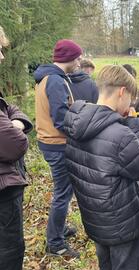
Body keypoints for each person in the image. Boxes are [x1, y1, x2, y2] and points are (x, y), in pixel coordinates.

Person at [63, 65, 139, 270]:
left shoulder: (76, 124)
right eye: (131, 97)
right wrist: (135, 126)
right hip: (124, 223)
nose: (131, 104)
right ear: (122, 92)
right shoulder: (120, 134)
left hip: (96, 219)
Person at [34, 39, 82, 257]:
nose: (80, 61)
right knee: (62, 194)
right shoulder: (54, 80)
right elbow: (60, 119)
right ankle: (55, 243)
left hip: (51, 142)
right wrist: (82, 132)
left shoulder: (50, 77)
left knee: (62, 192)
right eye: (78, 57)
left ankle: (58, 228)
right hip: (57, 144)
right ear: (69, 58)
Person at [0, 25, 33, 270]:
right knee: (9, 251)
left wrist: (17, 121)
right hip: (3, 194)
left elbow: (9, 108)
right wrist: (17, 129)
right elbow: (14, 144)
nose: (2, 57)